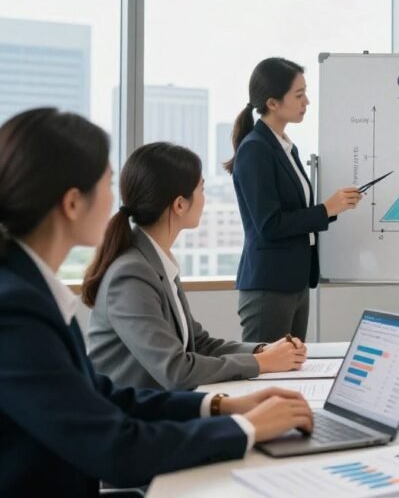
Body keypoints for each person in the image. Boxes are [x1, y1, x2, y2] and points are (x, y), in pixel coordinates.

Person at [0, 108, 314, 496]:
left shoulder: (30, 292)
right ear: (72, 203)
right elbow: (117, 448)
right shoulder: (16, 312)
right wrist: (247, 427)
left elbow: (104, 394)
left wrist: (223, 407)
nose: (117, 201)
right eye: (108, 184)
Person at [83, 142, 308, 390]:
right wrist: (260, 363)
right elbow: (176, 370)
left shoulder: (155, 260)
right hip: (134, 420)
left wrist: (263, 350)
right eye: (201, 189)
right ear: (180, 204)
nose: (205, 199)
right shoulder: (131, 274)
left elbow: (198, 343)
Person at [225, 57, 361, 341]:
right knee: (268, 372)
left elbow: (294, 212)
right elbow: (270, 224)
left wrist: (334, 208)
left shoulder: (286, 146)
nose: (307, 101)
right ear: (273, 102)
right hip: (269, 285)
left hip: (295, 282)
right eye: (299, 95)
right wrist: (326, 209)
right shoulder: (256, 149)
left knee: (292, 369)